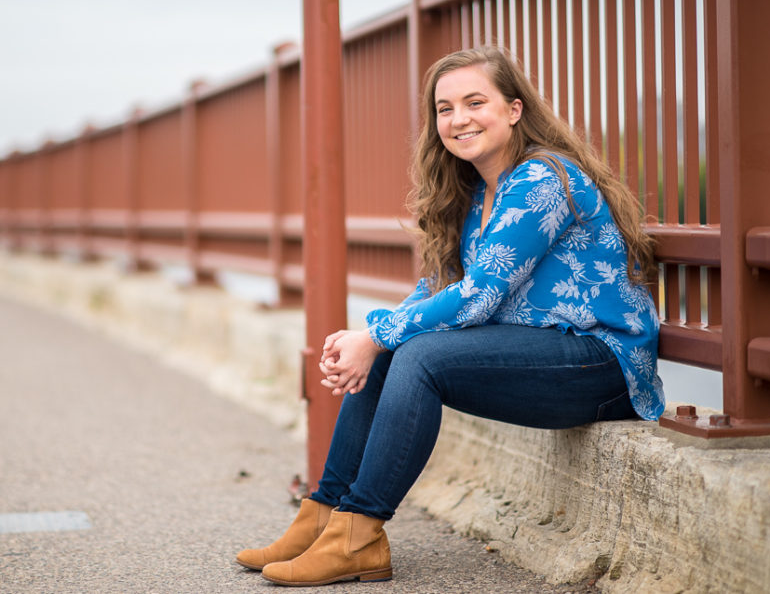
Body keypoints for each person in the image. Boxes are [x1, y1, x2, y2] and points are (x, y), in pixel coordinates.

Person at [236, 46, 665, 587]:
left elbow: (481, 296)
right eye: (444, 109)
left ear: (513, 109)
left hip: (601, 364)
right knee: (398, 345)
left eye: (474, 102)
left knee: (418, 353)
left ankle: (358, 534)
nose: (458, 119)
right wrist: (373, 335)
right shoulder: (478, 190)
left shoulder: (541, 180)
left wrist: (377, 336)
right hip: (544, 354)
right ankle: (324, 515)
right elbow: (442, 288)